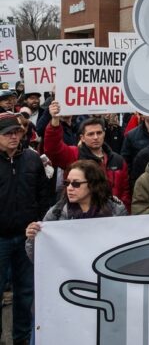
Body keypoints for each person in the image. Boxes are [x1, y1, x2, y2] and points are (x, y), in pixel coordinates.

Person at [0, 113, 48, 345]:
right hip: (0, 239)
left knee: (26, 292)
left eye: (17, 132)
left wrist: (41, 223)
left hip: (27, 237)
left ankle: (21, 339)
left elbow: (43, 194)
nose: (13, 137)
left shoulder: (32, 159)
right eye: (7, 133)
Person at [25, 160, 127, 260]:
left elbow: (127, 251)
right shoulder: (56, 212)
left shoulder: (116, 210)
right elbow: (38, 258)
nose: (69, 188)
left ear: (92, 184)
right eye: (67, 183)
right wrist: (33, 238)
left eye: (76, 184)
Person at [45, 100, 131, 209]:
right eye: (90, 134)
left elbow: (125, 194)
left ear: (104, 134)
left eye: (99, 133)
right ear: (82, 138)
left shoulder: (118, 160)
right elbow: (53, 149)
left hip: (112, 214)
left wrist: (122, 213)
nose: (95, 137)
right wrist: (55, 120)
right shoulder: (74, 155)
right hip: (80, 213)